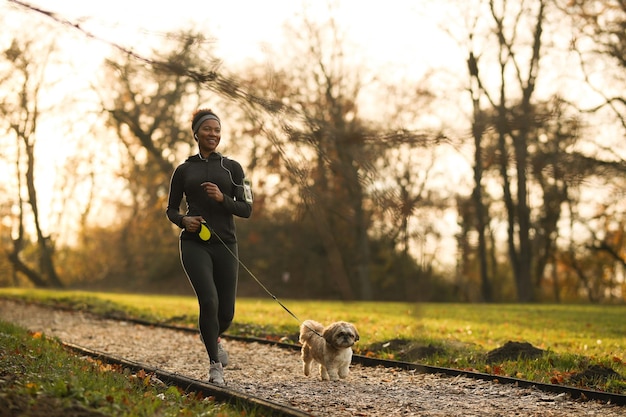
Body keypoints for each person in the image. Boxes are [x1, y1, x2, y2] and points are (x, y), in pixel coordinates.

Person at [166, 108, 253, 385]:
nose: (213, 134)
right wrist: (183, 220)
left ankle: (212, 335)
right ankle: (215, 364)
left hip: (226, 243)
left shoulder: (233, 168)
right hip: (195, 243)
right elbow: (170, 209)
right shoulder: (183, 170)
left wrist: (222, 198)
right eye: (207, 129)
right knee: (209, 301)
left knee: (226, 312)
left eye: (217, 129)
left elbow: (246, 209)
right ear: (196, 133)